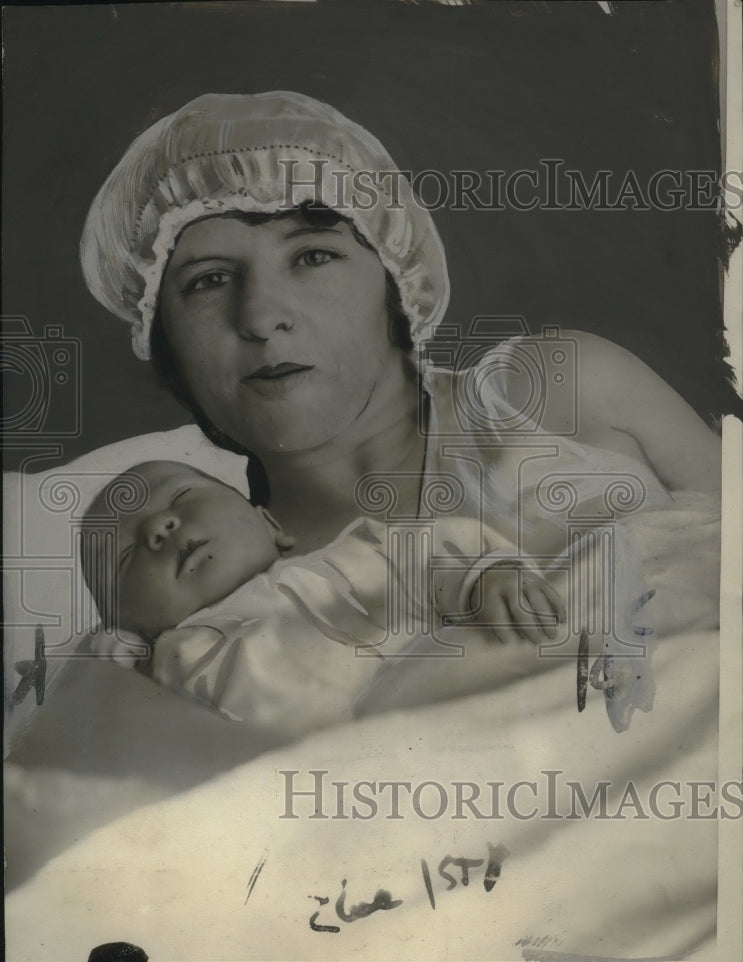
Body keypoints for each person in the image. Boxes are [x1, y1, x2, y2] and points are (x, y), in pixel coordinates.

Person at [78, 91, 720, 712]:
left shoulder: (558, 386)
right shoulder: (209, 595)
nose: (263, 315)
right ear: (164, 342)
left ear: (393, 278)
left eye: (313, 255)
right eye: (209, 280)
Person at [82, 459, 572, 738]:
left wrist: (489, 574)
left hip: (433, 715)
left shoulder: (355, 554)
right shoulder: (172, 662)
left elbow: (440, 549)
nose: (157, 528)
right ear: (128, 625)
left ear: (270, 525)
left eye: (181, 497)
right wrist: (113, 668)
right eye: (125, 557)